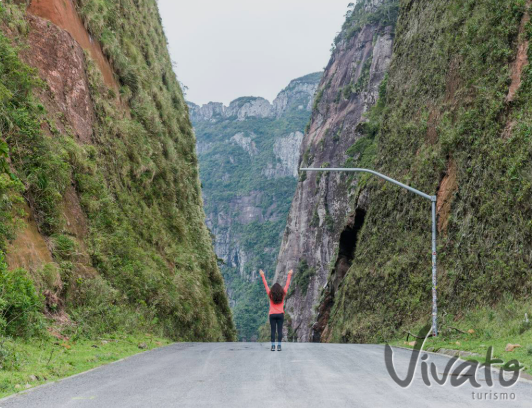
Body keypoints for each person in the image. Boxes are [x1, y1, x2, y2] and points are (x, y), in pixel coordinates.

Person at [259, 269, 292, 351]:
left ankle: (273, 346)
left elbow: (266, 285)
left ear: (273, 290)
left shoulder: (270, 294)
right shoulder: (283, 294)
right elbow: (287, 284)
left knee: (273, 331)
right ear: (280, 289)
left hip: (272, 314)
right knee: (279, 330)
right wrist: (289, 275)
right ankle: (279, 346)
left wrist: (263, 275)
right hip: (280, 314)